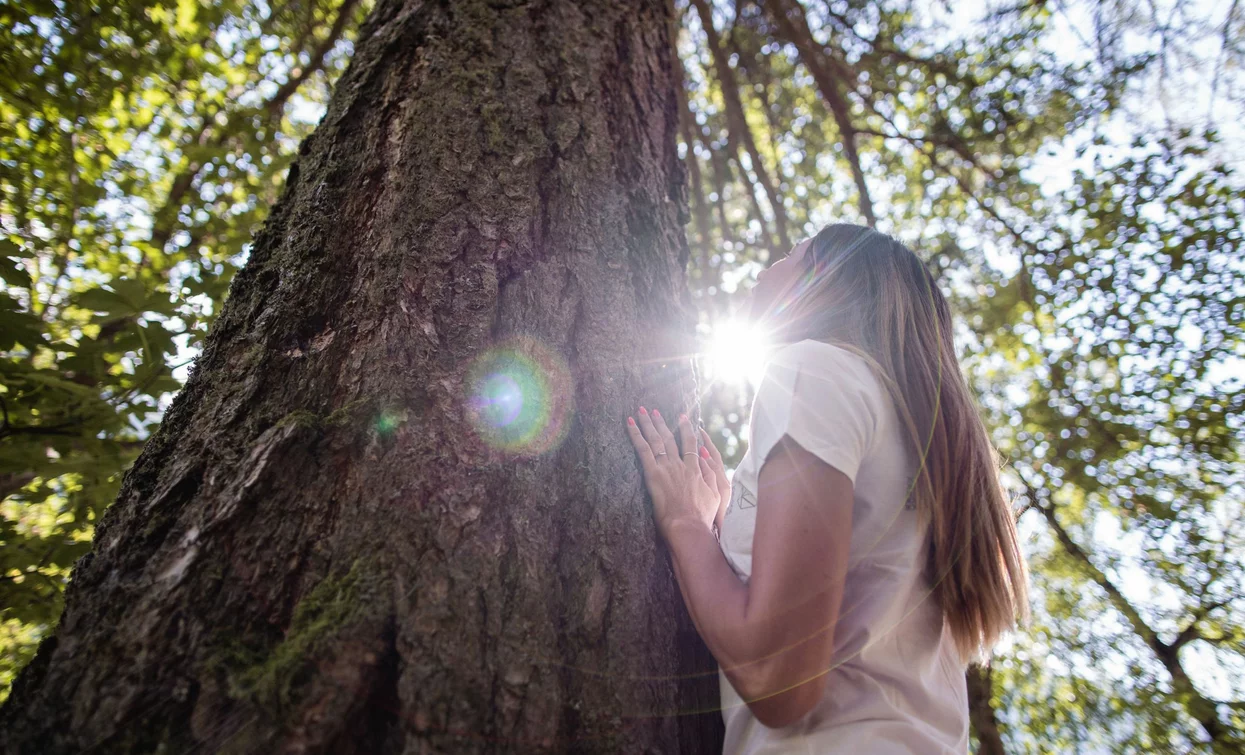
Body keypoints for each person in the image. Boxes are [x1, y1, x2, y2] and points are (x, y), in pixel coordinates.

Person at [624, 224, 1029, 754]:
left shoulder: (813, 371)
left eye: (796, 252)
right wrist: (723, 526)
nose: (774, 262)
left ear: (827, 282)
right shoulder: (908, 439)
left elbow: (777, 678)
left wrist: (685, 522)